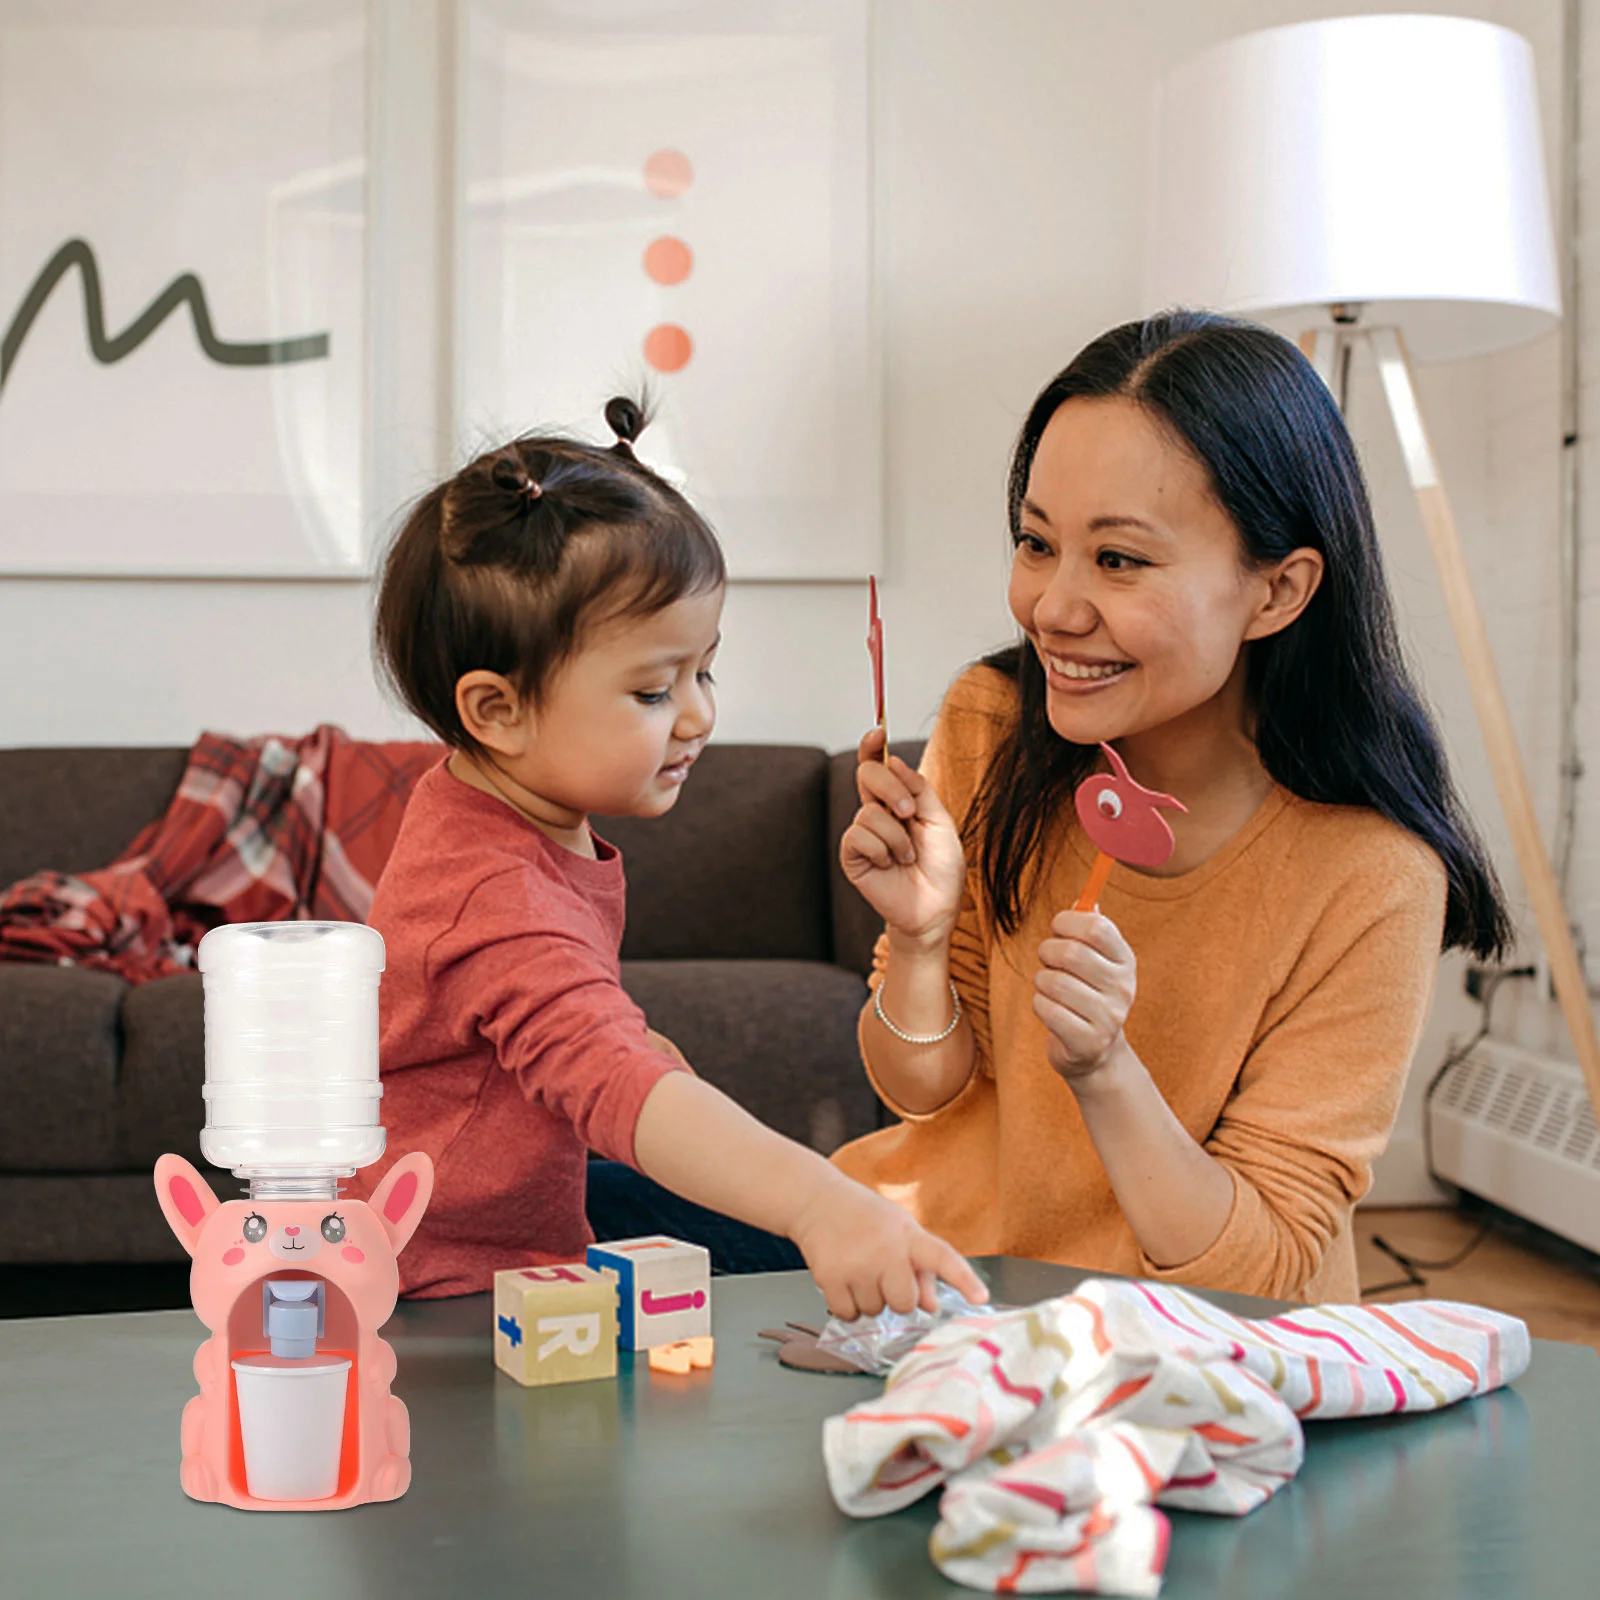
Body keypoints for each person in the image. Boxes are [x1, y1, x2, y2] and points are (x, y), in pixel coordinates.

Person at [833, 311, 1509, 1304]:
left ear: (1277, 591)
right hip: (950, 1291)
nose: (1052, 609)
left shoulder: (1374, 873)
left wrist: (1104, 1068)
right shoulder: (994, 724)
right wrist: (921, 940)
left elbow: (1263, 1269)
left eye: (1119, 560)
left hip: (1199, 1344)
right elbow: (920, 1091)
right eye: (1036, 543)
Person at [350, 395, 986, 1318]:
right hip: (445, 1283)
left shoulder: (491, 807)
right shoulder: (494, 891)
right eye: (654, 691)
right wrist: (820, 1204)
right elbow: (611, 1079)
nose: (700, 716)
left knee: (759, 1221)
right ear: (497, 710)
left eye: (704, 670)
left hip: (502, 1217)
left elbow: (519, 1023)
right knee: (789, 1242)